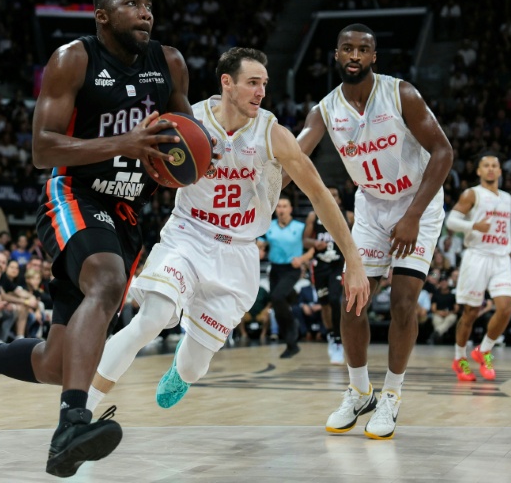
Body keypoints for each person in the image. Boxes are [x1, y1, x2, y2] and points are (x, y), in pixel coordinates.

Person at [0, 0, 198, 477]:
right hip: (73, 194)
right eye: (132, 4)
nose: (146, 12)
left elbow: (185, 143)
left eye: (149, 4)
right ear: (102, 16)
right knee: (107, 280)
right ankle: (72, 423)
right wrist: (124, 143)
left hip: (126, 212)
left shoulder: (170, 63)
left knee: (58, 363)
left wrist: (188, 159)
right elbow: (42, 148)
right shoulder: (73, 59)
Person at [87, 47, 368, 416]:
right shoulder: (190, 121)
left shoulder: (272, 133)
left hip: (239, 252)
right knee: (150, 319)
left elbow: (318, 193)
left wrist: (355, 261)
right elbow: (147, 162)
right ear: (227, 84)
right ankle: (79, 409)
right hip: (188, 235)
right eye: (253, 83)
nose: (261, 92)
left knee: (194, 366)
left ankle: (182, 369)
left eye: (264, 84)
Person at [296, 23, 453, 440]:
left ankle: (392, 396)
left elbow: (444, 151)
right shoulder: (325, 109)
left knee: (403, 302)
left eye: (363, 50)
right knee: (353, 299)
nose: (354, 56)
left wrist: (414, 215)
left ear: (373, 57)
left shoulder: (401, 94)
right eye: (347, 49)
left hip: (416, 203)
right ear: (335, 55)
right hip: (370, 207)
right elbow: (294, 154)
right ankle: (359, 390)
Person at [445, 154, 511, 381]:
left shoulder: (507, 198)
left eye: (495, 165)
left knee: (505, 308)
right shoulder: (472, 194)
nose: (491, 169)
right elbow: (451, 221)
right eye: (486, 166)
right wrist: (473, 225)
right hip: (477, 256)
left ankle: (484, 350)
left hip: (501, 257)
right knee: (470, 312)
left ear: (500, 171)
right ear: (479, 171)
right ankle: (460, 358)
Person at [303, 186, 353, 364]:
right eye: (328, 195)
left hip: (339, 264)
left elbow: (358, 237)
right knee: (324, 303)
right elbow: (305, 240)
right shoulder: (313, 216)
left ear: (339, 199)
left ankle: (340, 340)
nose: (331, 198)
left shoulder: (348, 216)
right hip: (320, 265)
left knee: (335, 299)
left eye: (335, 195)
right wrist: (315, 242)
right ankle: (332, 336)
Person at [257, 195, 311, 358]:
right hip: (275, 269)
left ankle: (293, 325)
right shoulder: (270, 226)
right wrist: (260, 248)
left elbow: (312, 247)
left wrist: (302, 259)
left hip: (292, 268)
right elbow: (261, 242)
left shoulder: (300, 227)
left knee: (277, 296)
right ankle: (291, 344)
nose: (281, 209)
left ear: (291, 209)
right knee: (278, 304)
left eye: (284, 206)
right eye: (279, 206)